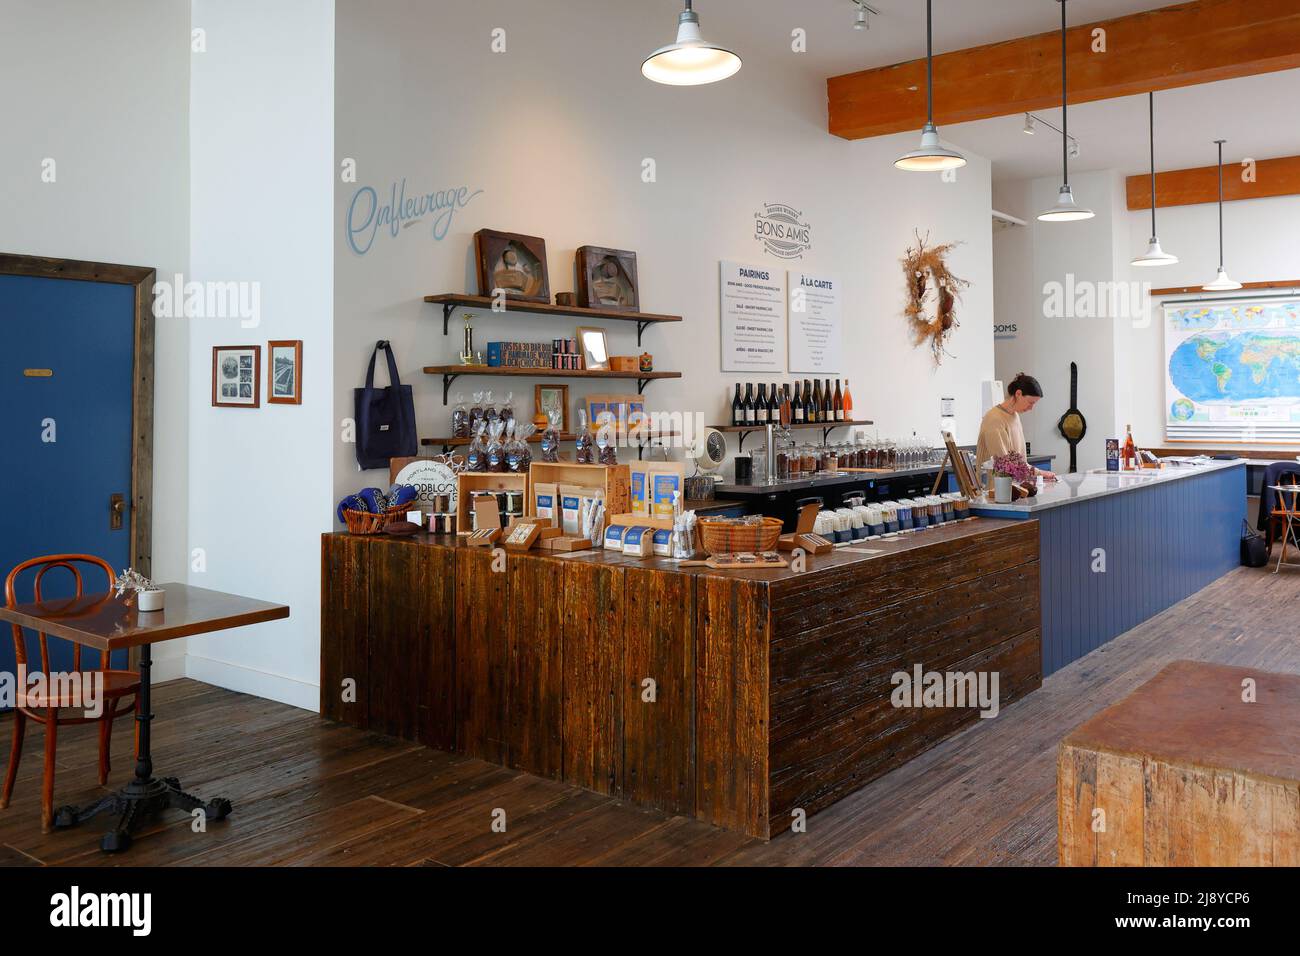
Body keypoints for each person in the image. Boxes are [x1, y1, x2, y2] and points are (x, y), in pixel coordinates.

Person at [976, 373, 1057, 481]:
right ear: (1018, 394)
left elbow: (1021, 463)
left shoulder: (1015, 417)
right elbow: (1004, 465)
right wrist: (1039, 473)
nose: (1031, 408)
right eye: (1030, 402)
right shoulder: (994, 419)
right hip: (995, 491)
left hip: (1012, 488)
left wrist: (1040, 474)